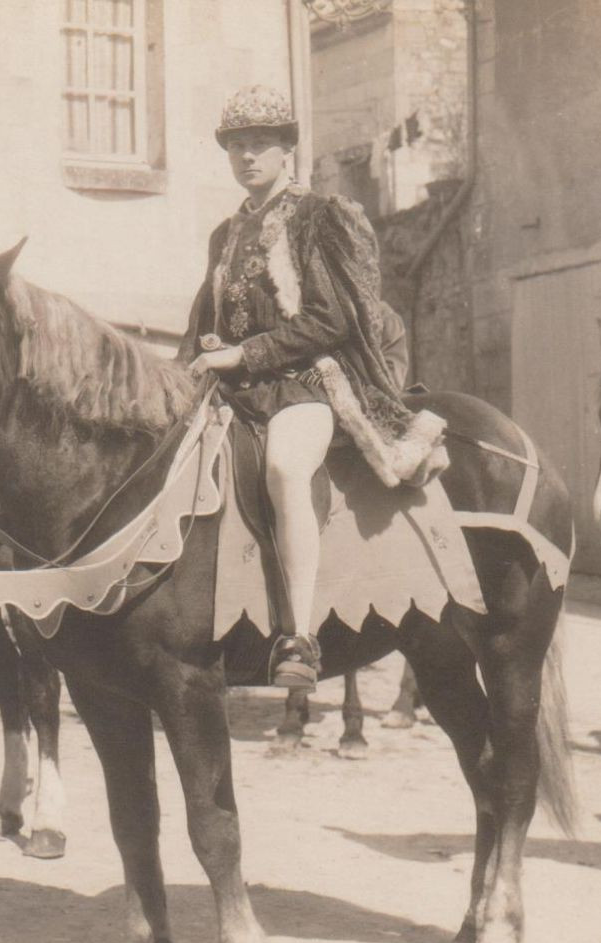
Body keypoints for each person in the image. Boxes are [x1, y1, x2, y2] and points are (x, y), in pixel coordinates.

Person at [180, 86, 445, 688]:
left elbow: (335, 319)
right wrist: (192, 365)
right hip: (235, 388)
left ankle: (298, 638)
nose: (247, 157)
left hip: (308, 384)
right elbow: (204, 324)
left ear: (285, 152)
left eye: (260, 146)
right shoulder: (226, 234)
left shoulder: (319, 217)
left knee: (284, 468)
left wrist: (246, 353)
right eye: (237, 146)